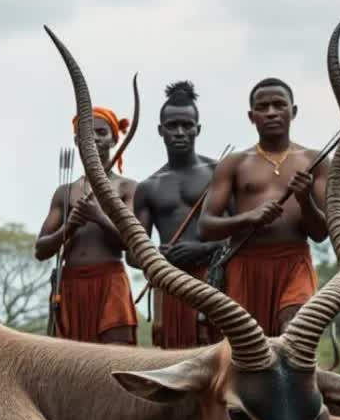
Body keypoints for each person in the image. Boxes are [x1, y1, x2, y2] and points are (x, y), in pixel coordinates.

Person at [197, 77, 340, 420]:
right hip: (245, 267)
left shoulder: (312, 162)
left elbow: (322, 230)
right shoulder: (234, 164)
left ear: (293, 110)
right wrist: (248, 217)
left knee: (303, 371)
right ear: (251, 116)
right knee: (243, 378)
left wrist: (304, 198)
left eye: (278, 104)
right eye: (261, 106)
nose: (270, 112)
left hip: (294, 268)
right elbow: (207, 224)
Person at [34, 106, 138, 344]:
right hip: (70, 285)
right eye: (86, 133)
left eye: (101, 132)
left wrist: (98, 216)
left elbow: (131, 242)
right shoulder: (66, 192)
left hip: (110, 282)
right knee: (71, 364)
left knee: (115, 359)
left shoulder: (127, 188)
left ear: (113, 139)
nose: (93, 138)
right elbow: (41, 250)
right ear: (76, 140)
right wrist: (69, 227)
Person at [134, 80, 225, 351]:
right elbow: (133, 253)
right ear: (160, 130)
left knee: (218, 355)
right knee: (174, 356)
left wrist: (203, 248)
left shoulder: (219, 173)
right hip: (171, 282)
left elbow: (242, 236)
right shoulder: (150, 186)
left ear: (199, 128)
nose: (180, 132)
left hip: (216, 281)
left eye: (187, 125)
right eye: (172, 126)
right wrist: (158, 257)